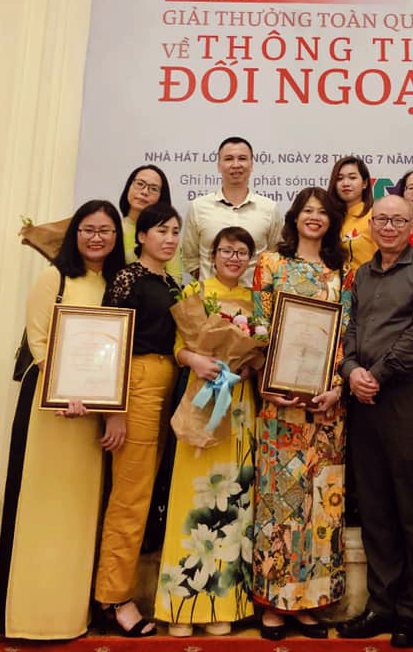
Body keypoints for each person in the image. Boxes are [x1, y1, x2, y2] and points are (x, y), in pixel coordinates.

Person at [0, 200, 125, 639]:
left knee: (78, 512)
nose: (96, 238)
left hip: (92, 414)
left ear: (117, 237)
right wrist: (65, 389)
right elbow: (39, 341)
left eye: (105, 231)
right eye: (88, 229)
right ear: (75, 233)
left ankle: (69, 617)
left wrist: (108, 408)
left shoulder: (116, 285)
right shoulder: (54, 277)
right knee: (40, 505)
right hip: (49, 409)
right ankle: (24, 618)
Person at [338, 195, 413, 649]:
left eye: (397, 220)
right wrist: (351, 371)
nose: (388, 227)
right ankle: (381, 606)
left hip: (408, 398)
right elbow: (349, 330)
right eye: (381, 219)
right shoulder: (362, 275)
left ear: (411, 227)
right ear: (371, 226)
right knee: (376, 509)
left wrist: (376, 375)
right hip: (364, 402)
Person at [252, 187, 353, 640]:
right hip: (280, 405)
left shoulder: (342, 273)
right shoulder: (271, 264)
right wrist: (270, 382)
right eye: (307, 211)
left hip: (326, 407)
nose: (314, 217)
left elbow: (347, 334)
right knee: (279, 503)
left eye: (322, 212)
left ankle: (310, 601)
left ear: (332, 221)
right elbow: (259, 329)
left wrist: (336, 389)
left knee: (320, 505)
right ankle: (275, 602)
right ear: (294, 218)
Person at [155, 226, 257, 637]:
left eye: (241, 252)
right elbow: (177, 347)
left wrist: (246, 367)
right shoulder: (194, 293)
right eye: (226, 250)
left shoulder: (257, 299)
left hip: (240, 405)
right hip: (201, 399)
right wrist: (196, 360)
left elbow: (260, 354)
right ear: (212, 255)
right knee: (192, 498)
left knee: (234, 502)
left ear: (249, 259)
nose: (233, 258)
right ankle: (180, 605)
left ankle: (221, 603)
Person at [94, 203, 182, 637]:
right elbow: (110, 341)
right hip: (137, 383)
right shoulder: (128, 278)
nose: (169, 238)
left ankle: (115, 592)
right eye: (161, 230)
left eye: (175, 231)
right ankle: (112, 599)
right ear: (141, 236)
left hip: (169, 385)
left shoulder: (173, 283)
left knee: (148, 494)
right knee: (130, 497)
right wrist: (114, 410)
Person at [182, 136, 283, 286]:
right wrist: (212, 285)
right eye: (229, 159)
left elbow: (275, 258)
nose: (236, 165)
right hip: (208, 298)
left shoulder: (269, 208)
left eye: (242, 158)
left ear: (251, 164)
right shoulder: (198, 207)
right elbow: (190, 258)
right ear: (219, 165)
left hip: (253, 298)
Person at [118, 164, 182, 282]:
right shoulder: (114, 228)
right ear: (129, 186)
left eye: (153, 188)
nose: (144, 192)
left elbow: (175, 278)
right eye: (140, 184)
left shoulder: (168, 234)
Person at [328, 155, 377, 271]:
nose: (345, 183)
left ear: (365, 183)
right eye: (339, 178)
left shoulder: (374, 217)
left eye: (352, 177)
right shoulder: (329, 220)